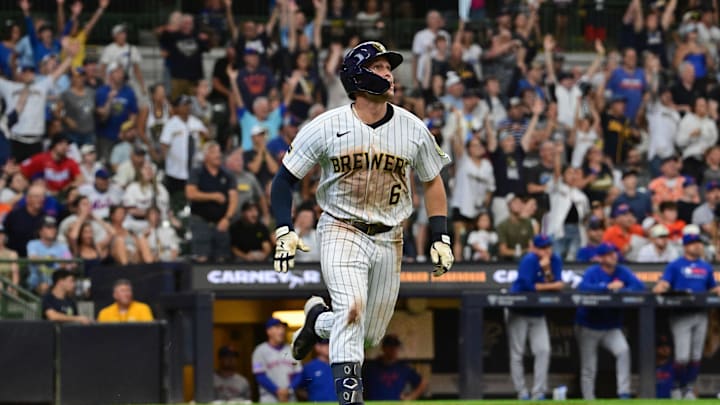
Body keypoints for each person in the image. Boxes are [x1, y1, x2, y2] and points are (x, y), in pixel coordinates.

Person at [271, 41, 453, 405]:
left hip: (390, 237)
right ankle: (350, 400)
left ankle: (317, 320)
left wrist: (441, 235)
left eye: (389, 68)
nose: (389, 74)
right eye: (380, 68)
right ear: (357, 76)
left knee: (370, 335)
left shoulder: (412, 128)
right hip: (341, 227)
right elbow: (283, 179)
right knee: (352, 310)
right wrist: (284, 229)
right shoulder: (326, 125)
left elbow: (432, 181)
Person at [652, 232, 720, 399]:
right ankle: (676, 386)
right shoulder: (676, 265)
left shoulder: (706, 267)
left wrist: (717, 289)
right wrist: (661, 286)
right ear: (685, 246)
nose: (697, 245)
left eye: (699, 243)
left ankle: (688, 388)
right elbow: (664, 283)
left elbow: (712, 286)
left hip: (701, 313)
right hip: (681, 314)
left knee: (696, 356)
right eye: (693, 243)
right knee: (682, 356)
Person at [575, 243, 645, 399]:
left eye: (614, 253)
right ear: (600, 258)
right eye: (608, 254)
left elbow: (639, 287)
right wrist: (606, 287)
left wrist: (620, 289)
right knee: (589, 366)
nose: (613, 256)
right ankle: (589, 398)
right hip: (589, 325)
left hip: (611, 327)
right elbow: (583, 288)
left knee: (623, 351)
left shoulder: (622, 271)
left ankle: (623, 393)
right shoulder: (593, 272)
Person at [506, 234, 564, 400]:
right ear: (535, 248)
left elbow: (559, 284)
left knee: (543, 350)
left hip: (537, 312)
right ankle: (522, 392)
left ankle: (538, 392)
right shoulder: (529, 260)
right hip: (519, 310)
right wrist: (550, 286)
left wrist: (546, 271)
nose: (547, 251)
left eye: (548, 247)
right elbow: (528, 286)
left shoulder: (555, 260)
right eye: (543, 248)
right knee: (517, 353)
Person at [186, 141, 237, 263]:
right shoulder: (197, 172)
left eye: (219, 152)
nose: (218, 155)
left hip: (221, 221)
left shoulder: (227, 174)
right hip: (201, 221)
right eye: (214, 152)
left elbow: (233, 198)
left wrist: (227, 218)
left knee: (222, 258)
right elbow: (190, 193)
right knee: (201, 257)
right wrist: (213, 196)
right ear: (206, 156)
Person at [160, 94, 209, 213]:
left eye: (188, 104)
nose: (187, 107)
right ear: (176, 108)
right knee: (175, 200)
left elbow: (207, 137)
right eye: (184, 105)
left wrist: (204, 135)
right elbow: (164, 144)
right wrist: (164, 161)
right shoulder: (171, 124)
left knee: (192, 198)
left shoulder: (195, 122)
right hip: (175, 171)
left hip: (193, 168)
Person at [252, 318, 302, 403]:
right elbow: (259, 375)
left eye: (283, 327)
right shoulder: (259, 351)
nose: (281, 330)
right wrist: (277, 391)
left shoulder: (292, 350)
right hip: (268, 398)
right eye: (277, 327)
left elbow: (299, 374)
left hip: (289, 397)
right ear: (268, 331)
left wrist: (289, 390)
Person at [363, 334, 428, 400]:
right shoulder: (370, 368)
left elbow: (423, 383)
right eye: (390, 346)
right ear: (383, 348)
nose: (393, 349)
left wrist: (409, 398)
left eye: (395, 346)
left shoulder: (403, 368)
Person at [27, 216, 73, 294]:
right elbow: (32, 258)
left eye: (54, 227)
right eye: (48, 227)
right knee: (44, 286)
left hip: (58, 282)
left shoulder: (62, 246)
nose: (53, 230)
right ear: (40, 231)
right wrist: (52, 260)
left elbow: (70, 263)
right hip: (38, 281)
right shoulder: (33, 244)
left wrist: (63, 263)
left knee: (69, 285)